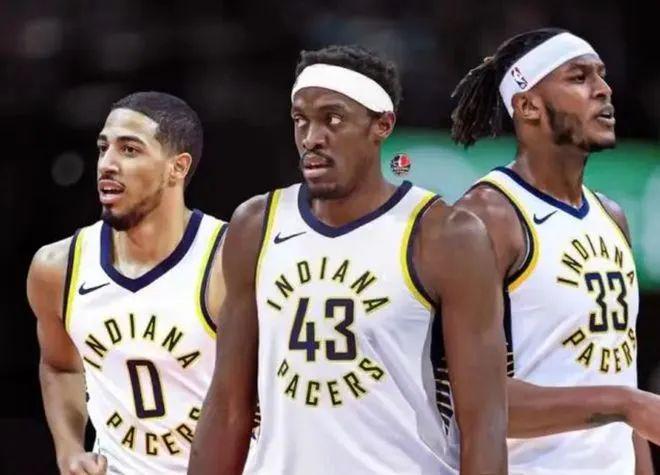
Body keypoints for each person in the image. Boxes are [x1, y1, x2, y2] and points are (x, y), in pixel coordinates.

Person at [189, 45, 508, 475]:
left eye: (333, 119)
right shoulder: (255, 226)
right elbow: (228, 402)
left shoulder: (446, 235)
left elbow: (484, 422)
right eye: (300, 120)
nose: (311, 138)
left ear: (382, 125)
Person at [451, 28, 660, 475]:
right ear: (527, 105)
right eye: (579, 77)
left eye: (602, 75)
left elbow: (620, 371)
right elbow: (472, 401)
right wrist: (626, 404)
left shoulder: (611, 216)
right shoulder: (487, 216)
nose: (603, 90)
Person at [27, 91, 227, 474]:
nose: (107, 164)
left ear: (177, 168)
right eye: (104, 148)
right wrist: (69, 449)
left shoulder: (228, 261)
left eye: (130, 150)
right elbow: (60, 366)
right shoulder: (57, 268)